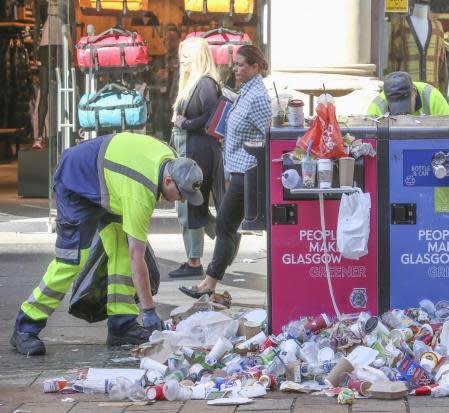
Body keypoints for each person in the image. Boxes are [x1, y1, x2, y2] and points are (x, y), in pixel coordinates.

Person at [11, 132, 204, 356]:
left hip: (111, 186)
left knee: (121, 250)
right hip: (76, 183)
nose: (182, 200)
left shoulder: (171, 160)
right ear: (168, 181)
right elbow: (137, 257)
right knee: (70, 262)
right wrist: (149, 310)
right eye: (182, 194)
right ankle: (25, 327)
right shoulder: (141, 192)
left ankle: (122, 325)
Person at [178, 45, 271, 304]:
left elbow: (268, 135)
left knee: (224, 225)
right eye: (235, 64)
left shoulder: (258, 97)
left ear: (255, 67)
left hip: (248, 172)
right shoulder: (245, 92)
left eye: (241, 64)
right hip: (238, 169)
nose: (235, 68)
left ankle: (209, 282)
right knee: (226, 225)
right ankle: (211, 280)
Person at [168, 37, 227, 279]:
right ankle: (225, 237)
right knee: (192, 207)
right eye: (181, 54)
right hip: (191, 150)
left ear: (198, 57)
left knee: (190, 206)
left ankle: (196, 260)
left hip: (197, 152)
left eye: (187, 55)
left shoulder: (203, 84)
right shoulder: (196, 83)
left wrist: (186, 123)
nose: (181, 59)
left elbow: (211, 118)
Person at [367, 71, 449, 117]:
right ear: (387, 98)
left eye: (405, 105)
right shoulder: (377, 107)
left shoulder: (433, 97)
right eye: (396, 109)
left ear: (414, 92)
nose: (402, 114)